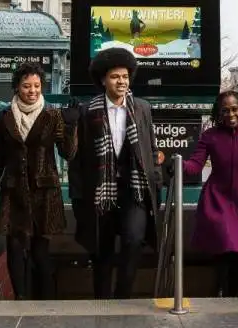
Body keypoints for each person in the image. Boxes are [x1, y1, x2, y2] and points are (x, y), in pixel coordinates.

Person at [68, 47, 163, 299]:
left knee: (133, 241)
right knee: (102, 251)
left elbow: (151, 148)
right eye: (114, 77)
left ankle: (123, 297)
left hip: (134, 191)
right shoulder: (87, 111)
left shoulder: (142, 108)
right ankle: (103, 302)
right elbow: (76, 160)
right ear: (103, 80)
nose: (121, 82)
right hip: (100, 192)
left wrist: (155, 178)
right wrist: (78, 198)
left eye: (125, 76)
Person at [0, 62, 79, 300]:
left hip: (44, 193)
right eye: (27, 86)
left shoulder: (52, 115)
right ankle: (20, 299)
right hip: (13, 191)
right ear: (17, 87)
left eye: (36, 86)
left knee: (40, 252)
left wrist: (71, 125)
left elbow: (68, 153)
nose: (32, 91)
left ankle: (45, 301)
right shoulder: (5, 117)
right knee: (14, 248)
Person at [169, 91, 238, 297]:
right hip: (216, 199)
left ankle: (231, 291)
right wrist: (177, 164)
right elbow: (195, 164)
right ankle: (223, 289)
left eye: (234, 109)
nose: (230, 114)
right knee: (227, 241)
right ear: (218, 113)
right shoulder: (209, 136)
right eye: (225, 110)